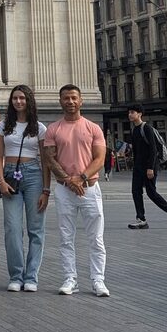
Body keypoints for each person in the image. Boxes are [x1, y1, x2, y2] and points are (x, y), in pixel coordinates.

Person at [44, 84, 109, 297]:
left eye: (74, 98)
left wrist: (80, 178)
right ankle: (69, 279)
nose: (70, 102)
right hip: (65, 189)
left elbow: (99, 159)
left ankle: (98, 280)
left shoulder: (93, 128)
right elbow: (50, 159)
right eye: (66, 98)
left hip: (89, 188)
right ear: (60, 101)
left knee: (96, 238)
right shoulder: (53, 128)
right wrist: (70, 181)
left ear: (81, 101)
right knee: (65, 236)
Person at [0, 84, 49, 292]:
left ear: (29, 101)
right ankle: (16, 275)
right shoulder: (3, 125)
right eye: (15, 98)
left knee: (36, 229)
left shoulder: (40, 128)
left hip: (34, 175)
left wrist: (46, 190)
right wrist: (0, 181)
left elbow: (45, 161)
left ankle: (31, 276)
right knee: (12, 229)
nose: (18, 102)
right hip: (9, 176)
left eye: (22, 98)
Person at [125, 104, 167, 230]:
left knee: (151, 192)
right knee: (135, 191)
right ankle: (141, 219)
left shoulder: (146, 128)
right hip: (138, 167)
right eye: (129, 112)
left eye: (132, 112)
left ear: (139, 114)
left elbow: (153, 150)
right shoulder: (134, 130)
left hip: (149, 166)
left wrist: (150, 168)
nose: (129, 115)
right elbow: (137, 151)